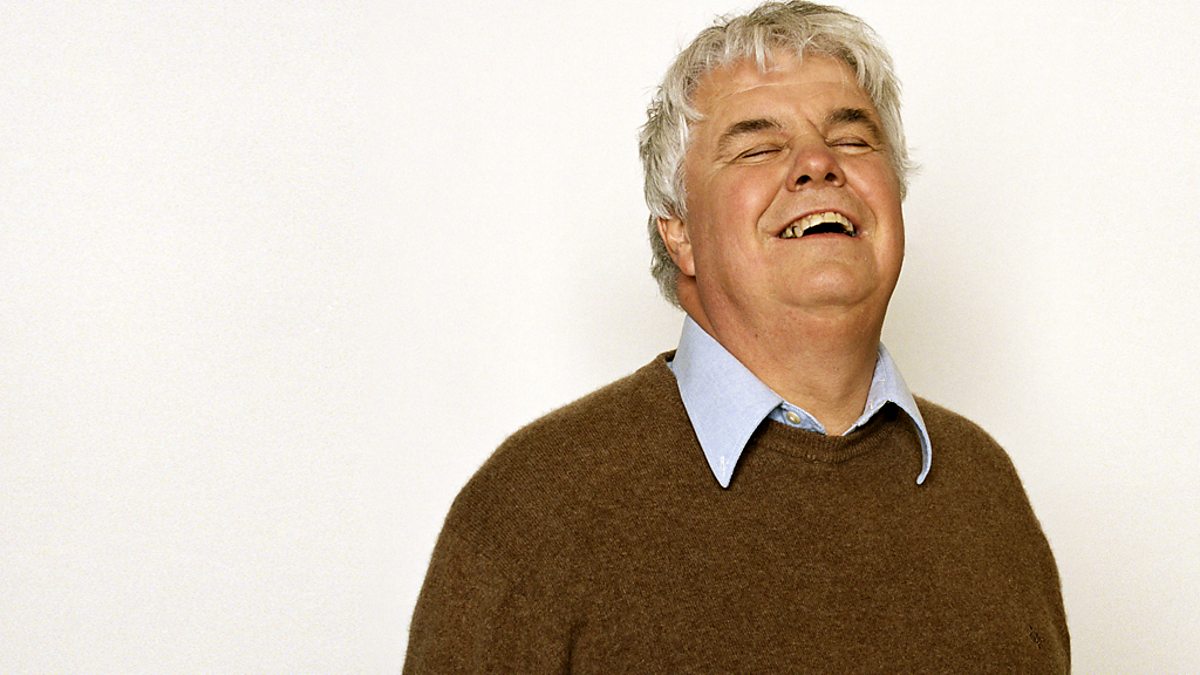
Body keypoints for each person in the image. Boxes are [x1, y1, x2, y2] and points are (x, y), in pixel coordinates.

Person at [405, 1, 1069, 671]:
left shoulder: (985, 490)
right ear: (679, 232)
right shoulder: (536, 506)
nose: (818, 163)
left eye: (852, 140)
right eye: (758, 147)